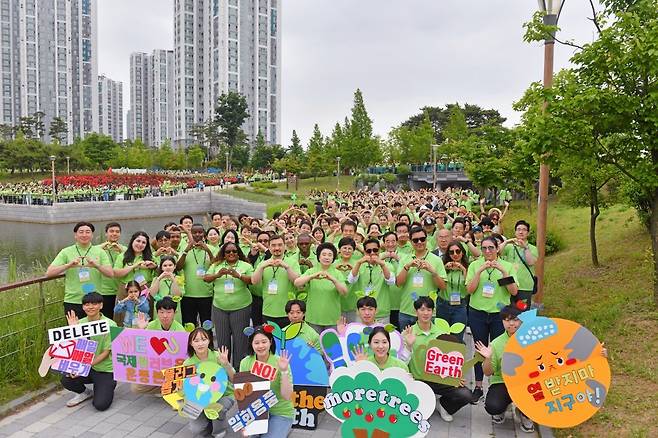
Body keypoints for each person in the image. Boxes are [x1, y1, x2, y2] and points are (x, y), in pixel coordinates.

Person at [402, 297, 473, 423]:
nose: (425, 313)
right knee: (416, 413)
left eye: (429, 309)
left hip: (439, 379)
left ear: (433, 312)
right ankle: (426, 400)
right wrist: (408, 345)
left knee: (466, 395)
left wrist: (455, 377)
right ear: (416, 311)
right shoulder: (407, 333)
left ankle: (443, 405)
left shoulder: (442, 333)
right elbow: (401, 362)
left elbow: (450, 360)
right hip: (416, 380)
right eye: (422, 309)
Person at [466, 236, 519, 403]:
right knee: (480, 349)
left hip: (499, 315)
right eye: (484, 248)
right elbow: (470, 289)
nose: (488, 251)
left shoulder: (508, 266)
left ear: (497, 248)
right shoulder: (475, 265)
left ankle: (497, 385)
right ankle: (479, 386)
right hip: (478, 313)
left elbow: (513, 292)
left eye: (491, 248)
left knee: (497, 350)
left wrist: (503, 272)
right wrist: (480, 271)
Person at [474, 305, 535, 433]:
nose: (511, 323)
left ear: (522, 320)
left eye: (515, 319)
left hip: (526, 382)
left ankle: (525, 414)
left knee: (538, 396)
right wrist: (488, 357)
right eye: (507, 320)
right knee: (493, 406)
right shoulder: (496, 343)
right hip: (502, 382)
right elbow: (487, 372)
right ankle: (502, 408)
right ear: (502, 321)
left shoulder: (532, 339)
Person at [61, 292, 117, 411]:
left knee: (100, 405)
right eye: (86, 304)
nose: (90, 307)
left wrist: (85, 365)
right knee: (66, 377)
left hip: (104, 369)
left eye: (94, 304)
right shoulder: (80, 323)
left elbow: (106, 352)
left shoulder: (110, 324)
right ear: (82, 307)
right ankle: (85, 392)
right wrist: (72, 330)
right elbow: (72, 348)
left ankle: (108, 384)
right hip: (88, 367)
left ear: (101, 306)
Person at [46, 222, 114, 318]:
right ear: (75, 235)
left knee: (94, 332)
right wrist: (68, 265)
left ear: (92, 235)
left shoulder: (100, 252)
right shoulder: (66, 252)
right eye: (81, 232)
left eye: (88, 232)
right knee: (74, 330)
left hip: (94, 301)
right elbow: (49, 273)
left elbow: (110, 274)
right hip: (73, 300)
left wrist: (96, 265)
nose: (84, 235)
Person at [204, 242, 253, 369]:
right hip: (220, 308)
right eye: (228, 252)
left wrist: (239, 275)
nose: (231, 253)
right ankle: (224, 370)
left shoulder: (245, 265)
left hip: (241, 308)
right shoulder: (216, 265)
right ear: (223, 254)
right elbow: (206, 278)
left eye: (234, 251)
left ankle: (239, 370)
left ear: (239, 253)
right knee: (222, 342)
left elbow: (252, 280)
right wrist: (217, 275)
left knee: (240, 342)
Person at [239, 325, 294, 437]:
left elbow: (287, 396)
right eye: (257, 343)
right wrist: (244, 418)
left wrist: (284, 372)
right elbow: (243, 396)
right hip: (256, 409)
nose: (260, 346)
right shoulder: (245, 362)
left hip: (280, 411)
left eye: (264, 342)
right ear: (251, 344)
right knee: (249, 435)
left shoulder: (280, 362)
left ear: (270, 342)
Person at [184, 327, 235, 437]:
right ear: (191, 344)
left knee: (218, 410)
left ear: (209, 341)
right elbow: (187, 387)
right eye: (196, 340)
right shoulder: (188, 363)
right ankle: (209, 424)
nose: (200, 343)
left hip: (224, 395)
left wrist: (226, 364)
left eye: (203, 339)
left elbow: (234, 379)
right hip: (200, 398)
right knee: (196, 429)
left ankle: (219, 429)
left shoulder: (218, 356)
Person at [396, 226, 447, 330]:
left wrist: (433, 272)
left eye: (422, 239)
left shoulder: (436, 260)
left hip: (427, 312)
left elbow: (443, 286)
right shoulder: (405, 259)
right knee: (406, 344)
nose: (419, 242)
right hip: (407, 311)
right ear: (410, 241)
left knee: (428, 344)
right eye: (415, 240)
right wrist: (407, 267)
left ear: (426, 239)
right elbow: (398, 283)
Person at [294, 242, 348, 334]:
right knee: (314, 346)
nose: (326, 257)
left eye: (330, 255)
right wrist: (312, 276)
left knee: (330, 347)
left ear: (333, 258)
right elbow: (297, 283)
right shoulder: (311, 271)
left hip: (332, 319)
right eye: (324, 254)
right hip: (313, 317)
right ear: (319, 257)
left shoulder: (337, 273)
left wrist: (333, 279)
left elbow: (344, 292)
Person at [251, 235, 301, 329]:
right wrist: (262, 267)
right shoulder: (263, 264)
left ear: (284, 246)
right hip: (268, 312)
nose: (277, 248)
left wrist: (286, 267)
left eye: (280, 245)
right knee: (271, 342)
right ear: (269, 247)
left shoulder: (292, 262)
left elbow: (296, 281)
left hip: (289, 312)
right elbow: (254, 281)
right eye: (273, 245)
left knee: (288, 342)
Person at [347, 238, 394, 324]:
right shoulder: (359, 265)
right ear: (364, 252)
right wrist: (358, 263)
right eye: (369, 251)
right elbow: (351, 280)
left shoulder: (387, 265)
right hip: (362, 313)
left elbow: (391, 281)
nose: (372, 253)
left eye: (375, 250)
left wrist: (382, 265)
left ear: (379, 250)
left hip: (382, 313)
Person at [176, 223, 214, 326]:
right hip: (188, 294)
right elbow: (178, 267)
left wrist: (207, 250)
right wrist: (186, 250)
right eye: (195, 232)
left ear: (204, 233)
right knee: (189, 325)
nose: (197, 234)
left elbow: (216, 265)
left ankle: (209, 342)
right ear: (191, 234)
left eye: (200, 232)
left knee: (207, 325)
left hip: (206, 294)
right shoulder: (185, 248)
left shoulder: (211, 248)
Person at [499, 220, 538, 309]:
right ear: (515, 231)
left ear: (528, 233)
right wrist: (506, 242)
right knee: (506, 314)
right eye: (518, 229)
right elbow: (496, 252)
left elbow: (530, 262)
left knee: (522, 313)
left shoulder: (532, 248)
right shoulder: (509, 247)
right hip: (507, 284)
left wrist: (525, 248)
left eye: (524, 230)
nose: (521, 232)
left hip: (524, 286)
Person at [437, 240, 470, 342]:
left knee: (457, 338)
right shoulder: (443, 266)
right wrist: (444, 269)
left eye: (458, 251)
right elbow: (438, 284)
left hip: (460, 306)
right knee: (442, 338)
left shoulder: (469, 267)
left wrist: (464, 270)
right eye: (452, 252)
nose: (455, 254)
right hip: (443, 304)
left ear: (462, 252)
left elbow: (468, 288)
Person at [113, 231, 157, 299]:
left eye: (143, 242)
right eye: (138, 241)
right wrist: (134, 266)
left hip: (145, 290)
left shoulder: (151, 258)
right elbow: (116, 273)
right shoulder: (122, 256)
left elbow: (158, 275)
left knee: (145, 309)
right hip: (126, 290)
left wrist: (155, 267)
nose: (140, 244)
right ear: (132, 241)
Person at [95, 222, 126, 318]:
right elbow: (88, 257)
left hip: (121, 291)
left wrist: (121, 250)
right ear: (106, 233)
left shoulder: (124, 249)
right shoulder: (97, 249)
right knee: (106, 318)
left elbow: (133, 261)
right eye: (111, 231)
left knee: (120, 318)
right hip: (104, 291)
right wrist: (101, 247)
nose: (114, 234)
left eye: (117, 231)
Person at [149, 256, 184, 323]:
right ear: (161, 267)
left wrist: (173, 279)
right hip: (160, 310)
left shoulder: (179, 279)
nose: (168, 267)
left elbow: (177, 295)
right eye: (165, 265)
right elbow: (153, 294)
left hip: (174, 310)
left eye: (170, 265)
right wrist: (159, 278)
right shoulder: (156, 279)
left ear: (174, 266)